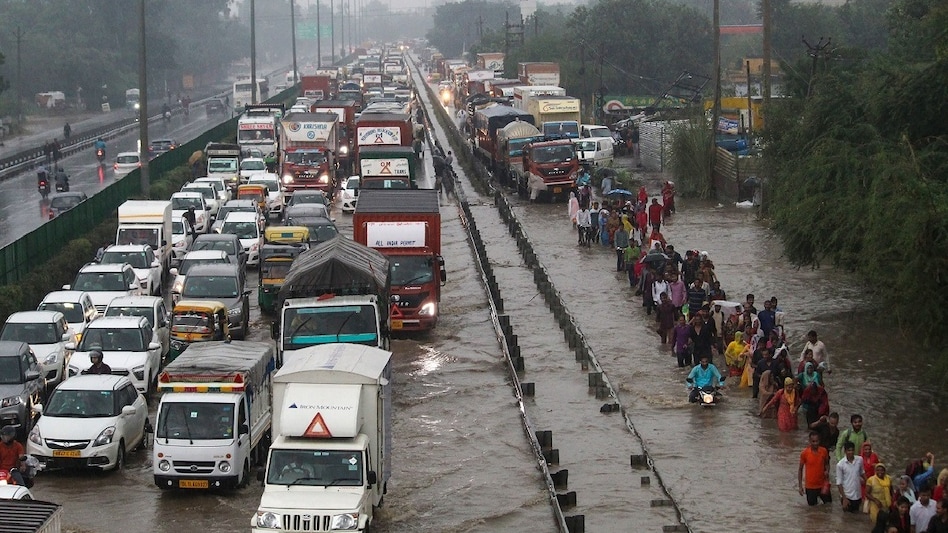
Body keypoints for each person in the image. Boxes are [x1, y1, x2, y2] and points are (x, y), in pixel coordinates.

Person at [799, 430, 832, 506]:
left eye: (817, 441)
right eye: (813, 441)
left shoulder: (824, 451)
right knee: (812, 510)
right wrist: (800, 486)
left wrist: (827, 470)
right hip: (810, 487)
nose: (815, 443)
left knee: (829, 505)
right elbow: (800, 469)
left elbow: (827, 464)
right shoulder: (805, 453)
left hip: (823, 484)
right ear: (810, 441)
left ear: (819, 441)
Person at [837, 441, 866, 513]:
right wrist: (844, 498)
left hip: (857, 495)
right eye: (849, 450)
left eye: (852, 450)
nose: (851, 452)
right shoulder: (840, 464)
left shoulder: (859, 460)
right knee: (846, 518)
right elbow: (839, 483)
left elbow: (862, 472)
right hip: (847, 496)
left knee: (856, 516)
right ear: (845, 451)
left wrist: (869, 483)